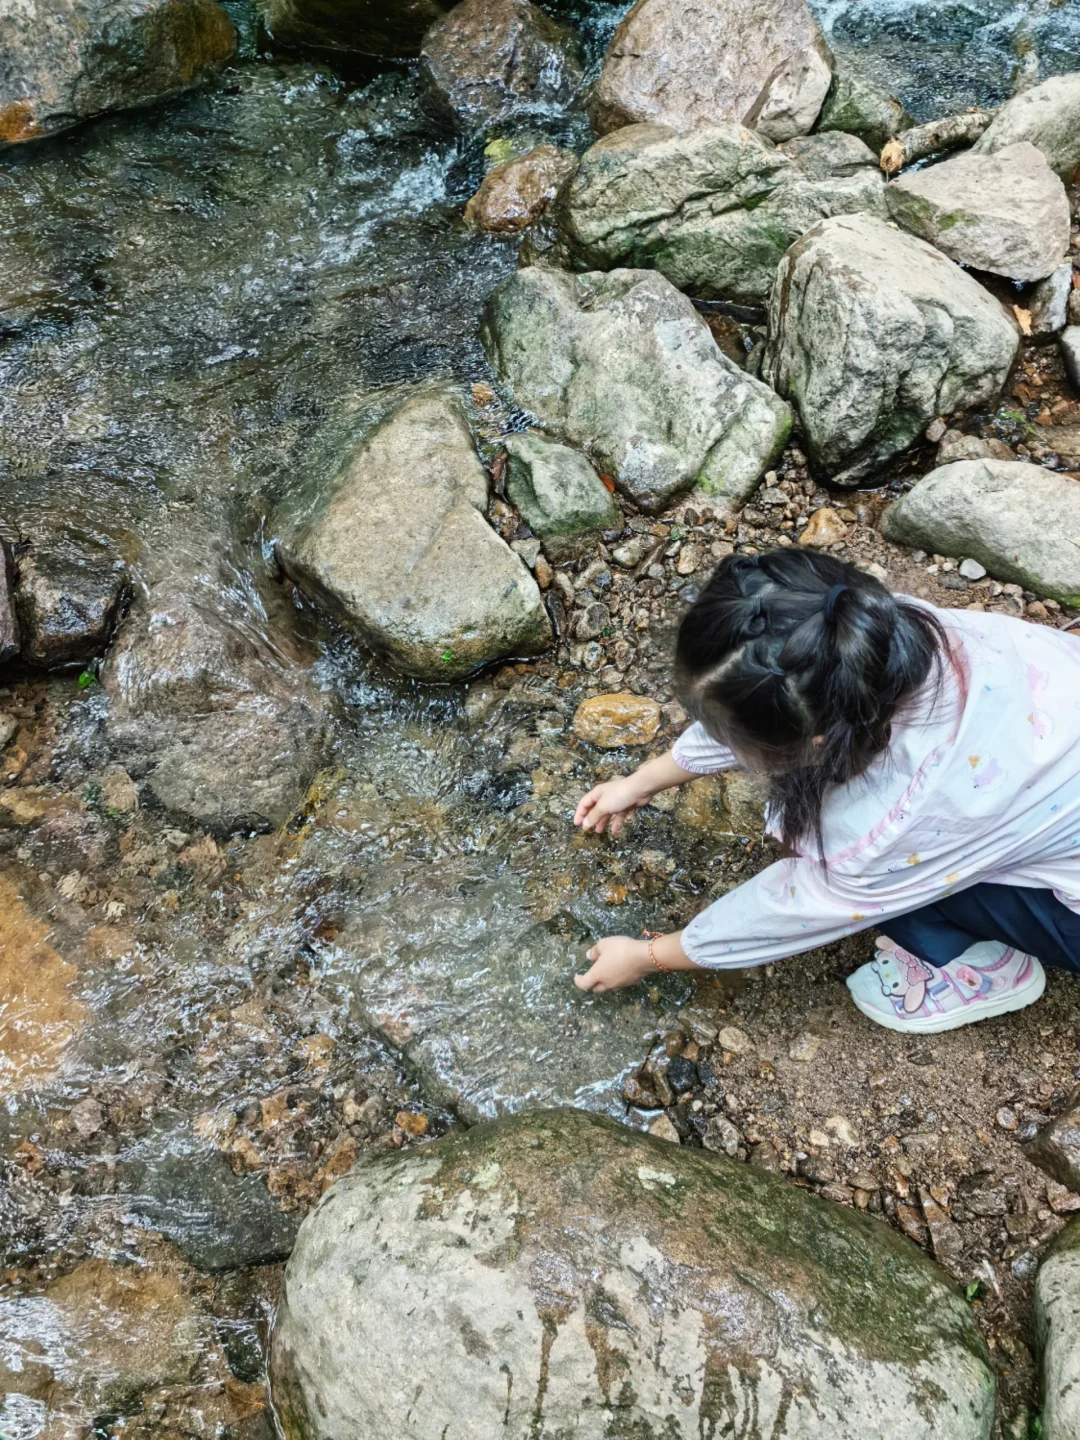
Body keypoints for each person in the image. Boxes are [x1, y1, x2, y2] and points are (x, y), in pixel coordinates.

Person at [572, 548, 1080, 1033]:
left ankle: (980, 971)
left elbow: (797, 907)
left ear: (818, 742)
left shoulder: (890, 822)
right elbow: (768, 701)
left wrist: (647, 956)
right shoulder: (885, 631)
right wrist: (639, 783)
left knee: (900, 899)